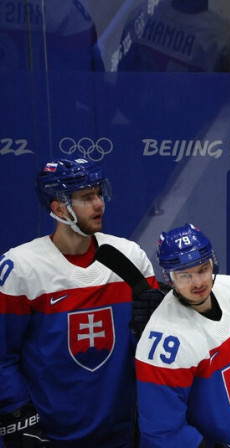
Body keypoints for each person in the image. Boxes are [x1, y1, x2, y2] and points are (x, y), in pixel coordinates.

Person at [0, 157, 160, 447]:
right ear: (59, 208)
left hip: (122, 434)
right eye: (87, 197)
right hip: (49, 436)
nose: (99, 204)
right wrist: (18, 415)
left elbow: (156, 343)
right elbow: (2, 357)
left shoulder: (130, 257)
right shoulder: (20, 268)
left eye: (99, 193)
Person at [134, 223, 230, 447]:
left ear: (213, 263)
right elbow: (161, 433)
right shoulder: (163, 343)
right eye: (185, 275)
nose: (198, 282)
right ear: (168, 278)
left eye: (202, 269)